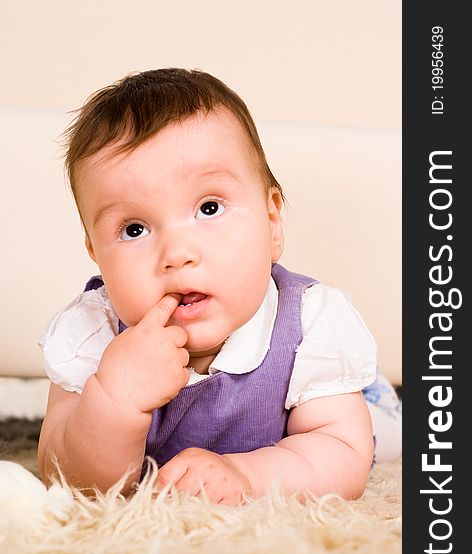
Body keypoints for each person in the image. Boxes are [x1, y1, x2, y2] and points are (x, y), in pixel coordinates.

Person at [38, 68, 401, 505]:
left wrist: (245, 475)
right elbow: (64, 478)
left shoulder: (311, 322)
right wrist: (114, 400)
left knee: (383, 435)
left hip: (338, 403)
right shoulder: (93, 332)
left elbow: (342, 456)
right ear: (96, 252)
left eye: (209, 207)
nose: (177, 253)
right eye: (134, 229)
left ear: (271, 224)